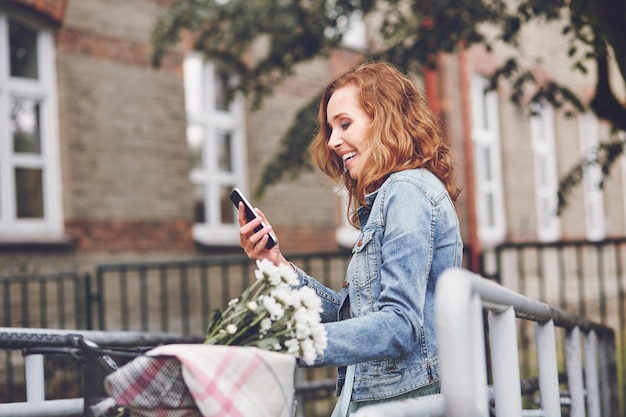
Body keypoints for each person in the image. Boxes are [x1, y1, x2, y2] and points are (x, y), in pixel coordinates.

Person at [236, 61, 463, 416]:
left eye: (345, 124)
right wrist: (274, 264)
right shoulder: (397, 194)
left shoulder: (406, 192)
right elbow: (355, 316)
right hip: (383, 394)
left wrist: (297, 341)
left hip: (400, 400)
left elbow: (400, 325)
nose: (332, 141)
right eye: (330, 128)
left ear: (386, 119)